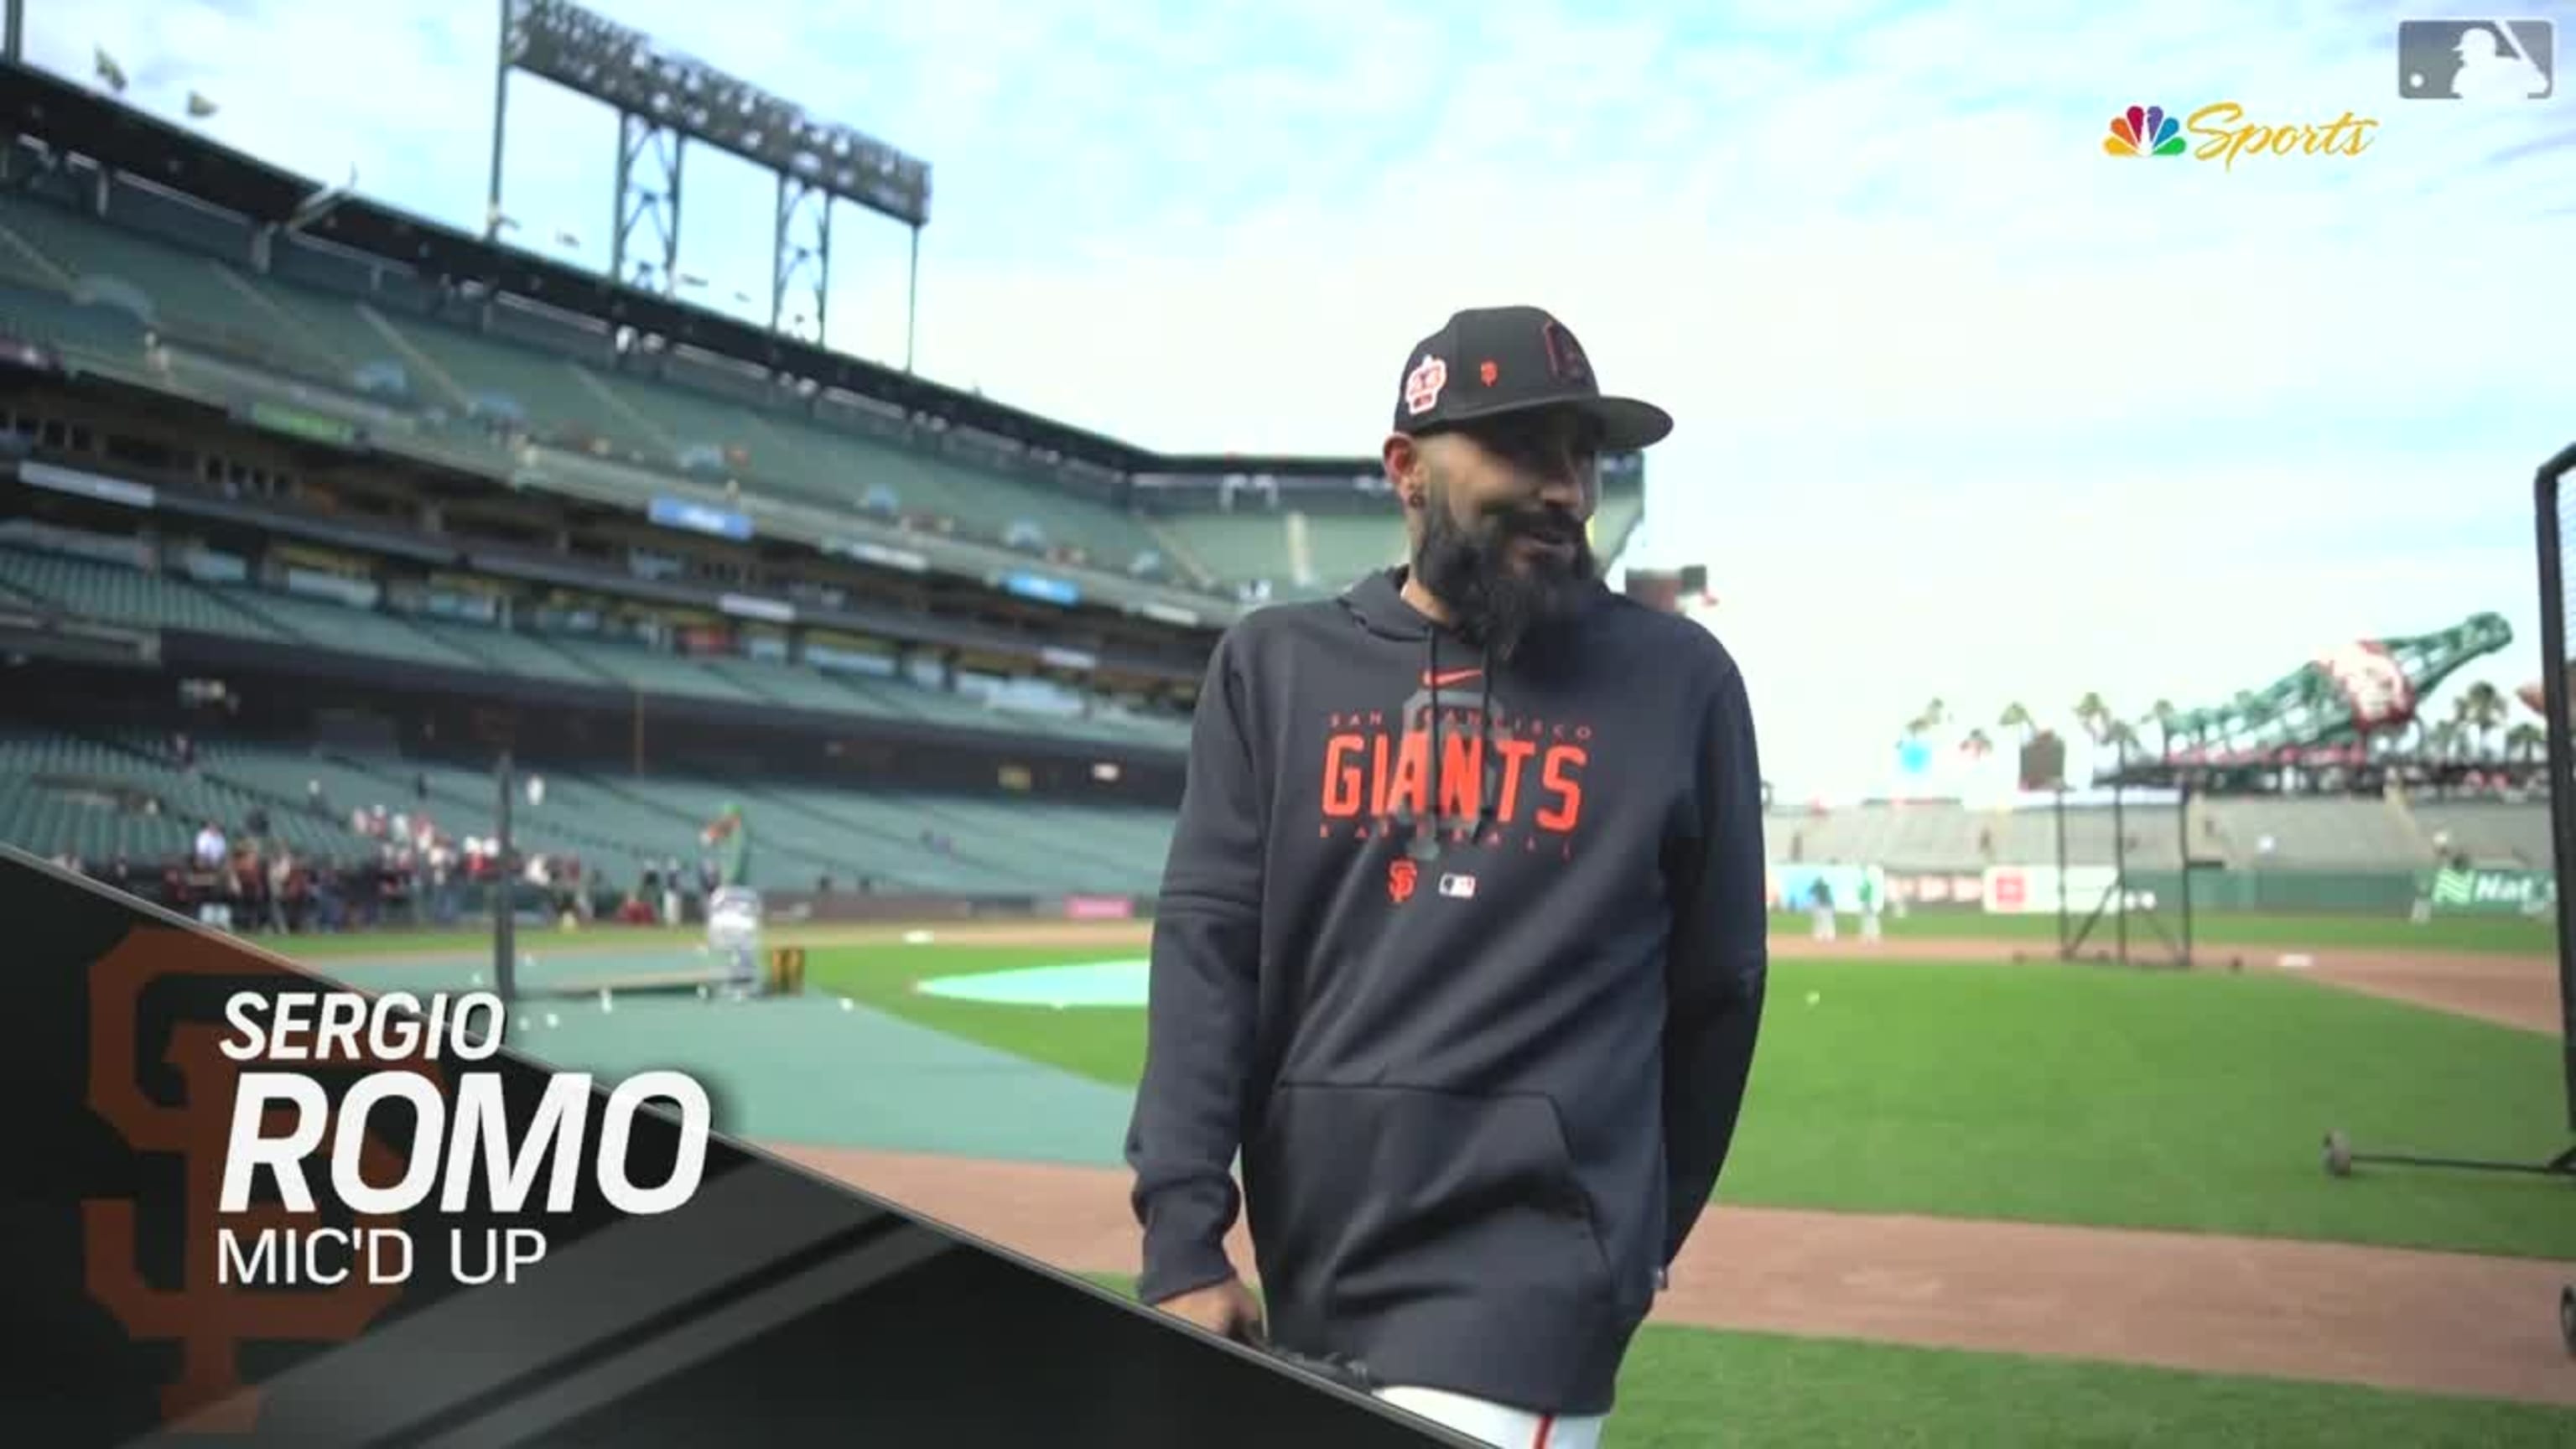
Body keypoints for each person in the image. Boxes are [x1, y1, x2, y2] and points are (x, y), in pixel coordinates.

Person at [1124, 304, 1769, 1449]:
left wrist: (1620, 1240)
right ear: (1407, 471)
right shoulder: (1273, 669)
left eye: (1584, 454)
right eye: (1523, 448)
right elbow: (1207, 956)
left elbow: (1719, 994)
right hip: (1309, 1274)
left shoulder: (1679, 684)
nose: (1568, 488)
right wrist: (1182, 1237)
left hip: (1525, 1298)